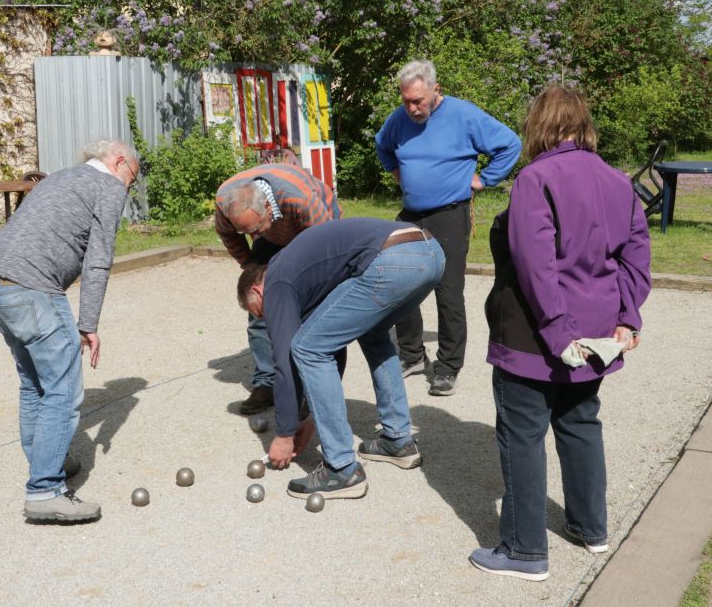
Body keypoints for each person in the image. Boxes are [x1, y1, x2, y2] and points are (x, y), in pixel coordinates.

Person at [470, 85, 651, 580]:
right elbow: (636, 258)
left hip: (536, 330)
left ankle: (525, 550)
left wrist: (557, 331)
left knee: (523, 433)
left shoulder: (535, 177)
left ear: (538, 125)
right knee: (579, 422)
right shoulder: (619, 181)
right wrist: (626, 316)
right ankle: (591, 528)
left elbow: (535, 263)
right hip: (594, 329)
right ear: (583, 123)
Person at [0, 138, 139, 523]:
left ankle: (44, 463)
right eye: (131, 178)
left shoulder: (63, 177)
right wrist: (89, 324)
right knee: (63, 389)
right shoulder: (107, 186)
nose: (129, 187)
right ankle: (45, 491)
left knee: (35, 382)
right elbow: (99, 260)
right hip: (33, 287)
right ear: (118, 162)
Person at [237, 218, 445, 499]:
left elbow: (286, 360)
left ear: (258, 290)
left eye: (260, 312)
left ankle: (341, 469)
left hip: (391, 258)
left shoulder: (277, 280)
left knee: (306, 348)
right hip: (429, 252)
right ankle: (398, 441)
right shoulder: (302, 277)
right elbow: (334, 346)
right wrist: (311, 416)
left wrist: (285, 433)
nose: (266, 320)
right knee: (372, 334)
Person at [376, 59, 521, 396]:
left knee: (448, 291)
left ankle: (447, 366)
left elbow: (510, 144)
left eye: (418, 101)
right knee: (401, 285)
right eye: (406, 101)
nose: (412, 108)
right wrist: (399, 174)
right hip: (412, 214)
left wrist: (484, 179)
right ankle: (412, 354)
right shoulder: (399, 118)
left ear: (435, 89)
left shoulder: (464, 115)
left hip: (449, 214)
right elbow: (383, 145)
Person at [215, 163, 341, 415]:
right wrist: (251, 267)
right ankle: (266, 383)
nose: (250, 234)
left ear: (268, 208)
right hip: (271, 237)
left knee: (312, 305)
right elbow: (229, 235)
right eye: (246, 231)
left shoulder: (299, 198)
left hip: (314, 232)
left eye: (254, 228)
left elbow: (328, 244)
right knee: (259, 305)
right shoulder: (225, 203)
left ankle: (312, 385)